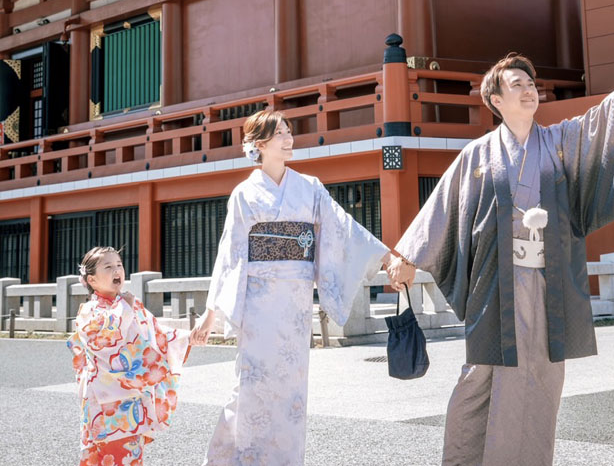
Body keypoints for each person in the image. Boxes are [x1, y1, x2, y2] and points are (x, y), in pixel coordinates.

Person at [387, 52, 614, 466]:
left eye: (531, 84)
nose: (529, 91)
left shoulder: (557, 142)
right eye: (517, 85)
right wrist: (407, 255)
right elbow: (442, 207)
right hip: (497, 285)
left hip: (548, 284)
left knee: (543, 376)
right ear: (495, 100)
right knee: (482, 375)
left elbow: (595, 124)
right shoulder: (478, 155)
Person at [191, 109, 396, 466]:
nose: (289, 139)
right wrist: (211, 315)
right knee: (252, 384)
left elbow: (341, 228)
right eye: (280, 134)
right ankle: (240, 458)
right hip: (258, 300)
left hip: (295, 301)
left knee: (291, 390)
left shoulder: (310, 187)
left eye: (289, 132)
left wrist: (384, 257)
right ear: (259, 145)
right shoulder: (244, 194)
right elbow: (231, 255)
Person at [68, 245, 189, 466]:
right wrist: (125, 308)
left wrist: (187, 338)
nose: (117, 271)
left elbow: (156, 333)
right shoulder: (89, 311)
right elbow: (104, 343)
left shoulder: (128, 303)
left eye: (119, 265)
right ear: (92, 280)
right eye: (108, 267)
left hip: (130, 398)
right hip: (105, 402)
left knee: (125, 456)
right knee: (112, 457)